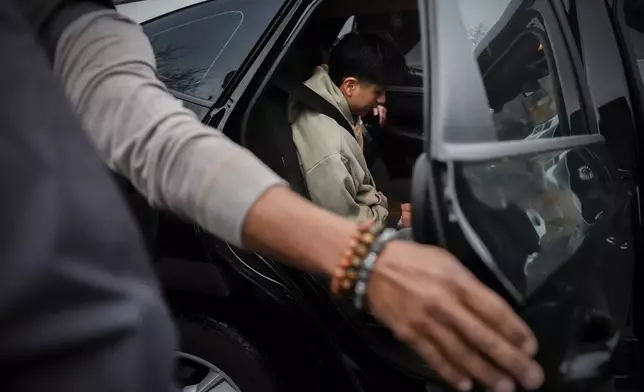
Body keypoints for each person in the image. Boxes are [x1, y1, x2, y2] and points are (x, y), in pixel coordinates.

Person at [9, 1, 545, 392]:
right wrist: (369, 257)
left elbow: (155, 140)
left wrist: (367, 255)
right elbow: (156, 143)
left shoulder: (64, 21)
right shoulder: (323, 136)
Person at [289, 32, 409, 229]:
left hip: (370, 204)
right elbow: (344, 223)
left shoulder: (327, 89)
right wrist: (393, 218)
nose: (383, 100)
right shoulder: (330, 150)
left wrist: (365, 107)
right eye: (378, 92)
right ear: (350, 85)